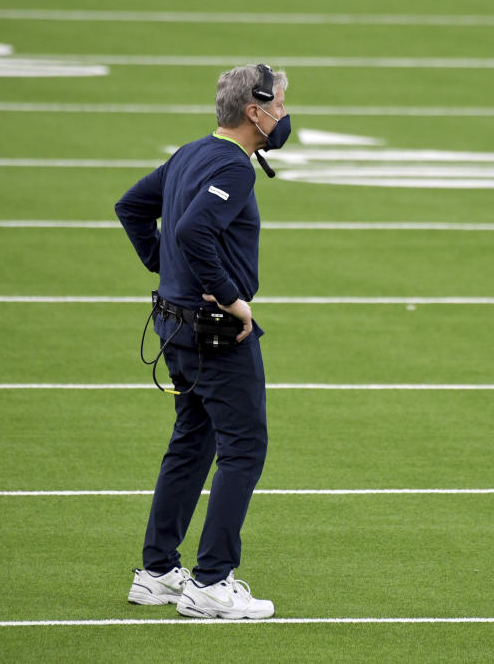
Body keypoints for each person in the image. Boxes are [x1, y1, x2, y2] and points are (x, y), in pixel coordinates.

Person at [116, 64, 291, 620]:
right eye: (280, 105)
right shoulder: (233, 169)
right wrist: (230, 295)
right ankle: (212, 583)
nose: (285, 116)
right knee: (244, 447)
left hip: (174, 322)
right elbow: (192, 230)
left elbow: (133, 207)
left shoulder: (190, 152)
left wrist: (165, 267)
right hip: (213, 331)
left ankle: (158, 572)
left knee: (193, 440)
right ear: (254, 111)